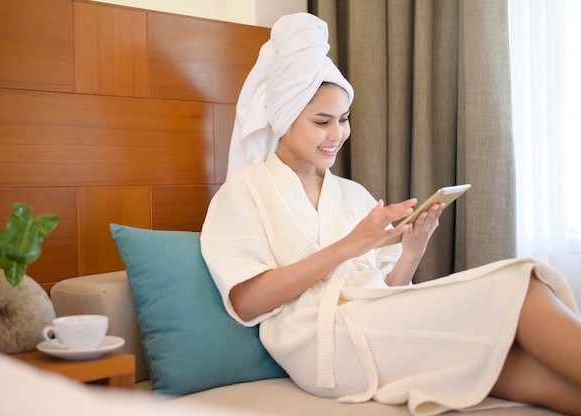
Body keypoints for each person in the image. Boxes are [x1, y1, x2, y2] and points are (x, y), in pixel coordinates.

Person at [200, 12, 581, 416]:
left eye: (344, 119)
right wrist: (348, 247)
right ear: (283, 118)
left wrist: (412, 252)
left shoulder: (352, 195)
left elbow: (388, 294)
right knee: (521, 287)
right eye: (321, 122)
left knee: (520, 356)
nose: (338, 134)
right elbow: (246, 302)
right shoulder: (244, 190)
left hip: (375, 322)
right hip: (319, 342)